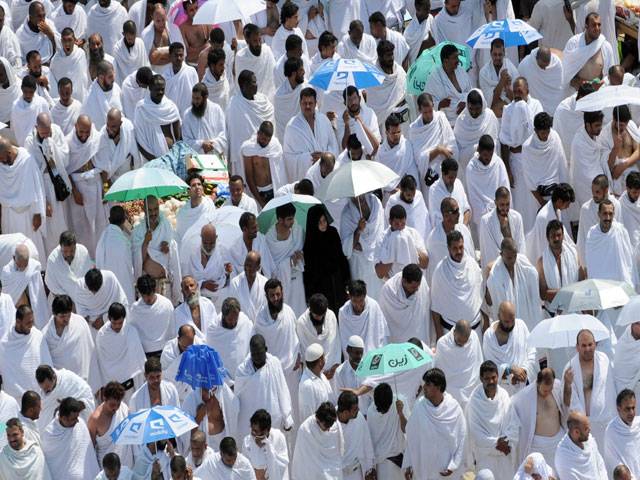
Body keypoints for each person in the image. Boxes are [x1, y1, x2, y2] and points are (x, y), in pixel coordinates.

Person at [403, 368, 466, 480]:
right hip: (425, 469)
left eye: (428, 384)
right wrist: (408, 464)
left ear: (438, 387)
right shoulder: (419, 407)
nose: (424, 388)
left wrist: (454, 465)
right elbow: (411, 437)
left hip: (447, 471)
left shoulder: (454, 408)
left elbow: (462, 437)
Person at [500, 78, 544, 231]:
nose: (517, 94)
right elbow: (504, 141)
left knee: (533, 203)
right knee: (518, 204)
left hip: (532, 161)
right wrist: (508, 169)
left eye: (520, 91)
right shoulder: (508, 109)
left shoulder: (536, 106)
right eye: (515, 91)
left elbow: (539, 135)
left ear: (527, 90)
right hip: (515, 162)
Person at [24, 112, 71, 255]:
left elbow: (65, 157)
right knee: (50, 227)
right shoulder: (30, 142)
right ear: (36, 127)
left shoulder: (55, 132)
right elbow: (32, 170)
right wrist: (44, 202)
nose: (46, 135)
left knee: (62, 221)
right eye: (42, 133)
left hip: (57, 183)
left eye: (47, 132)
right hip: (42, 186)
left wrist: (51, 148)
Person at [562, 329, 617, 447]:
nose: (587, 349)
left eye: (590, 345)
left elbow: (611, 391)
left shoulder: (604, 361)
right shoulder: (569, 368)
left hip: (605, 423)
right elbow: (566, 402)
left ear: (595, 344)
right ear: (577, 347)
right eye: (583, 345)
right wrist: (567, 383)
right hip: (583, 428)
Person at [467, 360, 520, 477]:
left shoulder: (504, 395)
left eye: (493, 377)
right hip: (486, 457)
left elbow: (513, 424)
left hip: (505, 454)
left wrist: (507, 442)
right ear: (481, 379)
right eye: (487, 378)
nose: (491, 381)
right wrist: (496, 443)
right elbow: (475, 432)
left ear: (498, 376)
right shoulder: (474, 401)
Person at [234, 335, 293, 438]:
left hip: (272, 420)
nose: (256, 357)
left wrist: (287, 416)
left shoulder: (274, 363)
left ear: (266, 349)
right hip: (250, 424)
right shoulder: (242, 371)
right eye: (254, 354)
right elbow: (237, 399)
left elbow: (282, 390)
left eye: (259, 353)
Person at [431, 230, 485, 339]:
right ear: (448, 248)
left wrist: (487, 322)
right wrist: (439, 333)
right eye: (454, 248)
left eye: (461, 247)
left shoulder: (472, 265)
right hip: (450, 332)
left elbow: (481, 296)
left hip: (475, 331)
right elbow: (435, 305)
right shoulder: (441, 270)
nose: (459, 251)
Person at [283, 87, 339, 184]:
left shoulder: (324, 120)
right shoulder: (292, 126)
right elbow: (288, 158)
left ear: (316, 103)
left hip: (325, 175)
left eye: (310, 103)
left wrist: (324, 157)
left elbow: (333, 145)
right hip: (306, 180)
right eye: (305, 103)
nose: (308, 106)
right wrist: (309, 158)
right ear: (300, 103)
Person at [132, 195, 182, 304]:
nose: (153, 213)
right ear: (144, 210)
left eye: (155, 209)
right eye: (149, 210)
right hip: (147, 288)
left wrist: (168, 247)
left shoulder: (166, 226)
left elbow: (173, 251)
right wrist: (145, 242)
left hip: (165, 283)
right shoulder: (138, 231)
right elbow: (139, 261)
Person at [408, 93, 458, 200]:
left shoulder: (441, 118)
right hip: (428, 178)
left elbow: (452, 145)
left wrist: (445, 153)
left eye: (430, 111)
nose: (428, 115)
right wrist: (438, 150)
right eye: (425, 112)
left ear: (433, 106)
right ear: (419, 110)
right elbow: (419, 159)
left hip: (445, 173)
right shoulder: (414, 129)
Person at [41, 295, 98, 389]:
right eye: (62, 316)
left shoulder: (80, 322)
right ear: (54, 314)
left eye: (68, 315)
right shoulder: (45, 335)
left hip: (85, 381)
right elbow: (47, 364)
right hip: (63, 386)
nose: (66, 319)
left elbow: (90, 351)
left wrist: (96, 380)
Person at [226, 70, 275, 179]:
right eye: (253, 82)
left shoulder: (263, 101)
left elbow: (270, 119)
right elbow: (235, 137)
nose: (256, 84)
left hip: (264, 153)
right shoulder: (235, 105)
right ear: (244, 86)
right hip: (243, 157)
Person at [482, 301, 537, 397]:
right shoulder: (489, 336)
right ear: (499, 316)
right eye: (506, 322)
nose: (510, 325)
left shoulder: (521, 326)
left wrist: (522, 372)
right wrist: (509, 370)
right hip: (503, 394)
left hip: (524, 387)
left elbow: (532, 352)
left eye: (512, 320)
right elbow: (490, 367)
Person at [512, 368, 565, 468]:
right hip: (538, 447)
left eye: (550, 389)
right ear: (538, 383)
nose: (548, 392)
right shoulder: (524, 397)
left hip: (558, 442)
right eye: (545, 390)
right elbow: (511, 406)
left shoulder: (558, 387)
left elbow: (566, 407)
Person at [486, 239, 542, 331]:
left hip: (526, 314)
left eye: (514, 256)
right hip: (508, 320)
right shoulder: (495, 272)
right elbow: (492, 300)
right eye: (509, 258)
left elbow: (533, 274)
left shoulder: (522, 261)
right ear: (501, 255)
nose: (512, 260)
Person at [95, 303, 146, 402]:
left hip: (130, 387)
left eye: (120, 323)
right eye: (114, 323)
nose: (117, 326)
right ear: (109, 318)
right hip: (111, 390)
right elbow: (100, 363)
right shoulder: (101, 336)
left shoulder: (130, 331)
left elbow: (138, 361)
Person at [303, 205, 350, 313]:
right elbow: (309, 272)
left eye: (324, 220)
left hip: (337, 282)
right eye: (319, 222)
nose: (323, 224)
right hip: (321, 286)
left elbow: (341, 259)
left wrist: (347, 281)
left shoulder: (332, 233)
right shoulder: (310, 243)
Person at [41, 397, 100, 479]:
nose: (77, 421)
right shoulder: (49, 434)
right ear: (63, 418)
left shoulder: (80, 424)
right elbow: (50, 463)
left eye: (77, 417)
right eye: (73, 419)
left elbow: (88, 455)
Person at [0, 306, 51, 401]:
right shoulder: (4, 344)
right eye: (28, 323)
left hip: (37, 399)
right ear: (18, 322)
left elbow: (47, 366)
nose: (31, 326)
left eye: (32, 322)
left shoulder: (38, 336)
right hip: (15, 400)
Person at [340, 194, 385, 298]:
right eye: (354, 197)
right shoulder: (347, 214)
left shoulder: (375, 202)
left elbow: (382, 227)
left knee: (380, 295)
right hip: (360, 263)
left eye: (360, 196)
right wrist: (359, 230)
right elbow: (346, 247)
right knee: (363, 296)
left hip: (378, 258)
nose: (358, 198)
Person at [585, 200, 637, 289]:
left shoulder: (620, 230)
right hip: (600, 285)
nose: (608, 217)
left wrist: (631, 281)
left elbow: (629, 259)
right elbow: (591, 263)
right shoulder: (592, 234)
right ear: (599, 214)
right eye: (605, 213)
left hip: (619, 283)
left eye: (611, 214)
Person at [265, 204, 306, 316]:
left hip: (297, 276)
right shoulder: (269, 238)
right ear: (280, 219)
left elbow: (303, 250)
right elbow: (270, 264)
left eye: (293, 218)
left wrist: (300, 255)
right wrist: (288, 262)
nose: (293, 221)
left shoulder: (298, 230)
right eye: (289, 219)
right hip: (279, 281)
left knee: (299, 309)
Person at [465, 135, 509, 236]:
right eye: (485, 155)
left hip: (501, 210)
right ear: (479, 150)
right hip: (483, 216)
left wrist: (499, 209)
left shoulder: (498, 163)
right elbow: (473, 196)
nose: (487, 158)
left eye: (490, 155)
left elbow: (505, 189)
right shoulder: (471, 168)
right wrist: (488, 214)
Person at [434, 320, 483, 410]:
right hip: (451, 393)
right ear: (454, 332)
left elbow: (478, 363)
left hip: (471, 391)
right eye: (459, 341)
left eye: (465, 341)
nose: (462, 344)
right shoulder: (442, 344)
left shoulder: (474, 337)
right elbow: (439, 372)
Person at [455, 90, 500, 185]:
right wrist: (475, 150)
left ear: (482, 105)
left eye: (477, 109)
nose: (474, 112)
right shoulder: (461, 121)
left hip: (489, 168)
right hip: (469, 171)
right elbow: (457, 149)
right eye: (471, 109)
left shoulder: (490, 116)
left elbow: (495, 141)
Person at [379, 263, 430, 345]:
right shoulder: (388, 291)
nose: (417, 290)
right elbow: (384, 322)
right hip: (396, 342)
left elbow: (427, 309)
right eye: (413, 287)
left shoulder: (422, 282)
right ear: (404, 281)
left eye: (418, 286)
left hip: (419, 339)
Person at [562, 13, 615, 91]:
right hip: (575, 91)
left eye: (599, 25)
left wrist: (599, 85)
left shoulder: (606, 47)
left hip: (597, 92)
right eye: (594, 25)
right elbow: (565, 70)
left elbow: (610, 75)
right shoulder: (573, 43)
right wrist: (579, 83)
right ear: (586, 26)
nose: (597, 28)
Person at [134, 74, 182, 160]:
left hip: (171, 157)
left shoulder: (171, 107)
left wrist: (176, 154)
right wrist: (154, 160)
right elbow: (139, 139)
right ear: (150, 89)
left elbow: (178, 134)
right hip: (150, 159)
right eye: (157, 89)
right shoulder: (141, 109)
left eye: (162, 89)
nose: (160, 92)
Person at [183, 223, 230, 309]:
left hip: (218, 301)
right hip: (197, 301)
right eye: (205, 243)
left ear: (216, 238)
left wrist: (228, 273)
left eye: (211, 243)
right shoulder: (194, 255)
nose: (208, 246)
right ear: (201, 238)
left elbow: (229, 279)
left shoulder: (223, 253)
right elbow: (188, 280)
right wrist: (203, 284)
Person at [375, 205, 428, 281]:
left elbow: (425, 263)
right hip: (393, 284)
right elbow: (380, 273)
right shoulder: (382, 239)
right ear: (390, 221)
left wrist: (410, 246)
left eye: (403, 224)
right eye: (396, 224)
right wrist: (394, 248)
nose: (400, 227)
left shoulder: (413, 234)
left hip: (413, 281)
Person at [425, 43, 472, 127]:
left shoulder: (460, 71)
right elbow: (427, 102)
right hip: (447, 123)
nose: (458, 60)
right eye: (454, 58)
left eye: (458, 57)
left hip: (466, 117)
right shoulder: (434, 77)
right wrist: (439, 104)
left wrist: (465, 102)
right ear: (445, 61)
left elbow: (470, 92)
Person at [1, 244, 48, 329]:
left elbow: (38, 298)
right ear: (14, 258)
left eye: (25, 265)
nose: (23, 268)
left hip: (30, 309)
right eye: (20, 265)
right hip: (16, 313)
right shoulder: (6, 272)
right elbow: (8, 298)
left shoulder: (34, 268)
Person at [365, 383, 406, 480]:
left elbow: (406, 429)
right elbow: (370, 441)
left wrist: (400, 413)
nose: (382, 412)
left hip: (397, 463)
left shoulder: (399, 402)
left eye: (385, 409)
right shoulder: (371, 411)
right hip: (380, 465)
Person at [291, 402, 342, 479]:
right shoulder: (305, 430)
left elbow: (336, 457)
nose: (328, 430)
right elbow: (303, 463)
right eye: (326, 427)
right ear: (318, 419)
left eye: (330, 426)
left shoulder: (335, 426)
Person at [296, 293, 341, 379]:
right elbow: (305, 351)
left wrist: (335, 367)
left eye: (322, 315)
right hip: (313, 375)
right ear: (310, 310)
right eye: (316, 315)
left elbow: (336, 344)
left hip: (332, 372)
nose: (320, 318)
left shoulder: (331, 316)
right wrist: (319, 373)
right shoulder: (302, 323)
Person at [87, 381, 132, 468]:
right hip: (108, 470)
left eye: (118, 404)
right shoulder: (95, 419)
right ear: (104, 398)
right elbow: (90, 450)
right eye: (112, 405)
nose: (115, 408)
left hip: (127, 466)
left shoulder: (124, 408)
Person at [205, 297, 253, 379]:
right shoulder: (213, 331)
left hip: (244, 377)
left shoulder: (245, 322)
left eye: (236, 318)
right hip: (222, 381)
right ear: (223, 315)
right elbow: (212, 360)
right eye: (230, 319)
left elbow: (251, 349)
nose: (233, 322)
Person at [571, 110, 610, 209]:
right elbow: (583, 172)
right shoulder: (579, 142)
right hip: (586, 183)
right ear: (588, 125)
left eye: (600, 125)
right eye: (597, 125)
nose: (600, 128)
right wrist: (599, 184)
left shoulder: (597, 135)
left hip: (600, 176)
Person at [479, 187, 526, 269]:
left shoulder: (517, 217)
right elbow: (489, 251)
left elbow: (520, 245)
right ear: (495, 203)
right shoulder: (485, 221)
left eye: (507, 204)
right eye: (502, 205)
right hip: (496, 268)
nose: (505, 209)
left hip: (516, 264)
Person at [95, 206, 135, 303]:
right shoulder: (124, 240)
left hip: (107, 289)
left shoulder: (102, 238)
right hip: (125, 288)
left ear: (109, 220)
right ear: (124, 220)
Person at [366, 40, 407, 134]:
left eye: (392, 54)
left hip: (404, 123)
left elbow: (407, 94)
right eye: (388, 55)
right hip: (385, 126)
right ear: (380, 57)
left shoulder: (399, 72)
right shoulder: (373, 78)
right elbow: (374, 108)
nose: (391, 58)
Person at [35, 365, 94, 430]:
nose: (45, 391)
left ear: (54, 377)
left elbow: (87, 398)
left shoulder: (68, 379)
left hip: (75, 427)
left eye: (48, 387)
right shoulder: (42, 392)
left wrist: (69, 405)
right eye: (43, 388)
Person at [338, 280, 389, 356]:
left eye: (361, 300)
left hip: (374, 357)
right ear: (349, 297)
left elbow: (382, 334)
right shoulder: (343, 312)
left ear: (365, 296)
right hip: (354, 360)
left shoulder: (374, 306)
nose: (358, 304)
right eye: (354, 301)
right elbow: (344, 339)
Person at [128, 275, 175, 357]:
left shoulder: (166, 304)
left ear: (155, 290)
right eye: (144, 295)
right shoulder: (134, 309)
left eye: (149, 294)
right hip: (143, 354)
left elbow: (172, 331)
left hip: (164, 352)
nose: (147, 299)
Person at [241, 121, 285, 207]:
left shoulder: (274, 146)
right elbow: (249, 177)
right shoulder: (249, 149)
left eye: (268, 140)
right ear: (258, 134)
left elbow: (280, 172)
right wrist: (260, 201)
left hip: (275, 190)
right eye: (263, 139)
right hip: (260, 193)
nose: (265, 142)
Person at [72, 268, 128, 334]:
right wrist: (87, 320)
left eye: (96, 290)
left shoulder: (110, 278)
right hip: (92, 327)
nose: (94, 293)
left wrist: (104, 319)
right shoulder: (79, 286)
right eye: (91, 290)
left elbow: (121, 302)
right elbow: (81, 312)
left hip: (113, 322)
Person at [601, 105, 640, 197]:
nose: (624, 127)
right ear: (614, 119)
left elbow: (638, 150)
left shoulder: (630, 126)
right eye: (621, 125)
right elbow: (607, 166)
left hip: (632, 171)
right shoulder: (605, 135)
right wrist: (615, 148)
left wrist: (625, 164)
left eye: (626, 124)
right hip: (616, 177)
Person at [554, 411, 608, 478]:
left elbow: (600, 465)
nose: (589, 430)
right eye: (586, 429)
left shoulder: (589, 440)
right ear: (576, 432)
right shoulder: (564, 456)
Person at [94, 108, 140, 184]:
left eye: (113, 126)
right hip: (111, 181)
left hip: (128, 178)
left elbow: (136, 156)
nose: (110, 129)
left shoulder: (128, 129)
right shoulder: (102, 136)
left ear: (120, 123)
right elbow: (102, 165)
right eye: (108, 125)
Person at [336, 391, 375, 480]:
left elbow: (367, 442)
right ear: (345, 412)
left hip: (357, 473)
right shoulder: (331, 423)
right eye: (355, 409)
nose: (358, 411)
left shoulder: (359, 417)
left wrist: (370, 468)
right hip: (339, 475)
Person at [234, 23, 276, 102]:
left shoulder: (267, 51)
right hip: (250, 103)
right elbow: (239, 85)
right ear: (247, 41)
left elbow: (274, 75)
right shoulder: (241, 57)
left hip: (269, 101)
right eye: (255, 41)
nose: (258, 44)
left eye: (259, 39)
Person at [182, 82, 227, 156]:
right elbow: (186, 140)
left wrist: (212, 145)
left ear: (205, 97)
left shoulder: (217, 110)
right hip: (196, 159)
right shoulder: (187, 114)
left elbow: (223, 136)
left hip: (215, 157)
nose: (195, 101)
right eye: (193, 98)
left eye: (198, 98)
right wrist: (201, 144)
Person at [242, 409, 289, 480]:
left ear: (266, 431)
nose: (253, 433)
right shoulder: (247, 441)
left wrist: (267, 447)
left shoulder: (279, 437)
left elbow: (282, 463)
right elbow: (245, 467)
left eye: (256, 431)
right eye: (252, 429)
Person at [603, 389, 640, 478]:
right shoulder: (611, 430)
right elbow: (612, 462)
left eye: (633, 408)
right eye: (627, 409)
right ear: (618, 408)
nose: (631, 412)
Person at [336, 85, 380, 158]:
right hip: (351, 159)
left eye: (354, 98)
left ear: (359, 98)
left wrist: (361, 124)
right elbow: (344, 147)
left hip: (369, 157)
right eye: (349, 100)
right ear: (345, 103)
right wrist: (347, 124)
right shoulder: (341, 118)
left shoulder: (369, 113)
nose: (353, 102)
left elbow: (376, 142)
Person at [518, 47, 566, 115]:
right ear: (536, 58)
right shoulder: (525, 65)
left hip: (553, 109)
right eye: (541, 66)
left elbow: (558, 89)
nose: (544, 69)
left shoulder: (557, 64)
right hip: (534, 111)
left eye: (546, 66)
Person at [228, 212, 276, 278]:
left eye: (257, 226)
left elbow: (268, 264)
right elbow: (234, 275)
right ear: (244, 229)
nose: (257, 230)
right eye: (253, 228)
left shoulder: (261, 239)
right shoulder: (234, 249)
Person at [427, 158, 471, 226]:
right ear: (443, 174)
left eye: (455, 176)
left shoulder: (458, 183)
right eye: (450, 177)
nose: (453, 180)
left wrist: (463, 228)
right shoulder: (434, 190)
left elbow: (466, 210)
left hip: (463, 231)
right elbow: (436, 219)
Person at [161, 324, 199, 402]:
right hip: (174, 396)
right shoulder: (168, 352)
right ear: (178, 339)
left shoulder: (199, 345)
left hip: (193, 395)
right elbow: (167, 377)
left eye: (190, 347)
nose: (187, 350)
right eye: (185, 347)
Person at [384, 175, 430, 240]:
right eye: (408, 195)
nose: (411, 197)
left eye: (413, 194)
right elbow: (387, 223)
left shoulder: (418, 195)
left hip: (421, 240)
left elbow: (425, 219)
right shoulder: (393, 201)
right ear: (402, 190)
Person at [50, 28, 89, 103]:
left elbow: (83, 79)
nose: (67, 44)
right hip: (63, 100)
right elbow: (54, 83)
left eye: (69, 40)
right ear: (61, 41)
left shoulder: (80, 54)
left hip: (80, 99)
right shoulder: (56, 59)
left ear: (74, 40)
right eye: (64, 40)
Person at [298, 343, 335, 422]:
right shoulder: (307, 385)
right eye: (324, 357)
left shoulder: (322, 376)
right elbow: (308, 417)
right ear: (320, 361)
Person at [10, 76, 50, 148]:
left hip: (40, 145)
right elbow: (14, 128)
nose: (28, 94)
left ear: (35, 89)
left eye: (31, 92)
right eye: (25, 91)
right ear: (21, 89)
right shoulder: (15, 106)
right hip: (23, 146)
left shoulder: (42, 103)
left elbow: (49, 124)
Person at [82, 61, 121, 130]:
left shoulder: (116, 88)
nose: (113, 79)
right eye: (110, 77)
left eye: (113, 75)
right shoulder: (89, 99)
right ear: (101, 78)